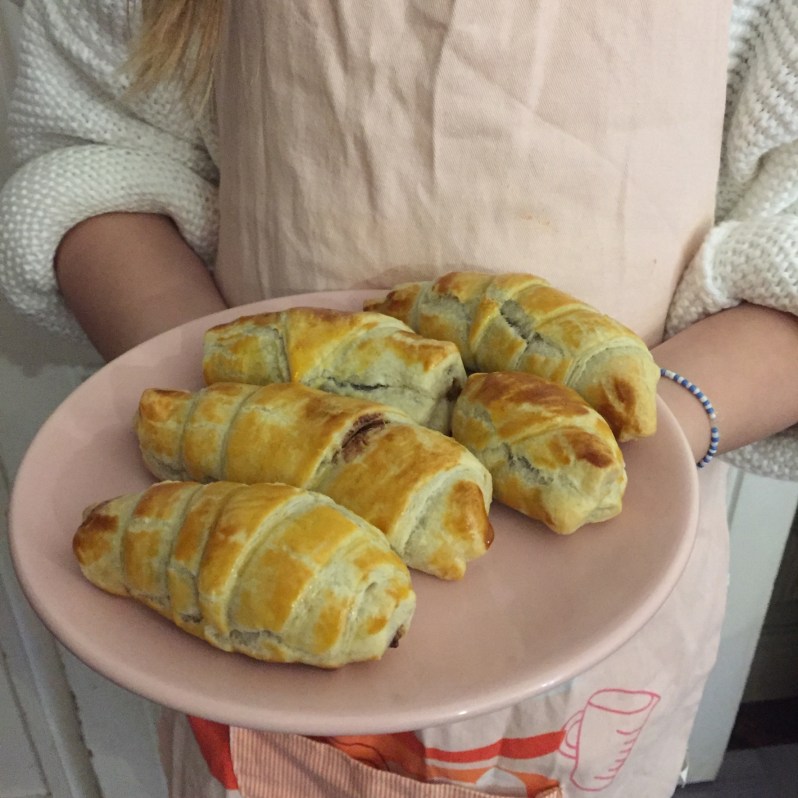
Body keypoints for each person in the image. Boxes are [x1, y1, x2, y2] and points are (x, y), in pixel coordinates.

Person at [2, 1, 798, 796]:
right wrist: (236, 422)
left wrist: (642, 435)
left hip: (617, 565)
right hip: (258, 553)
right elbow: (93, 158)